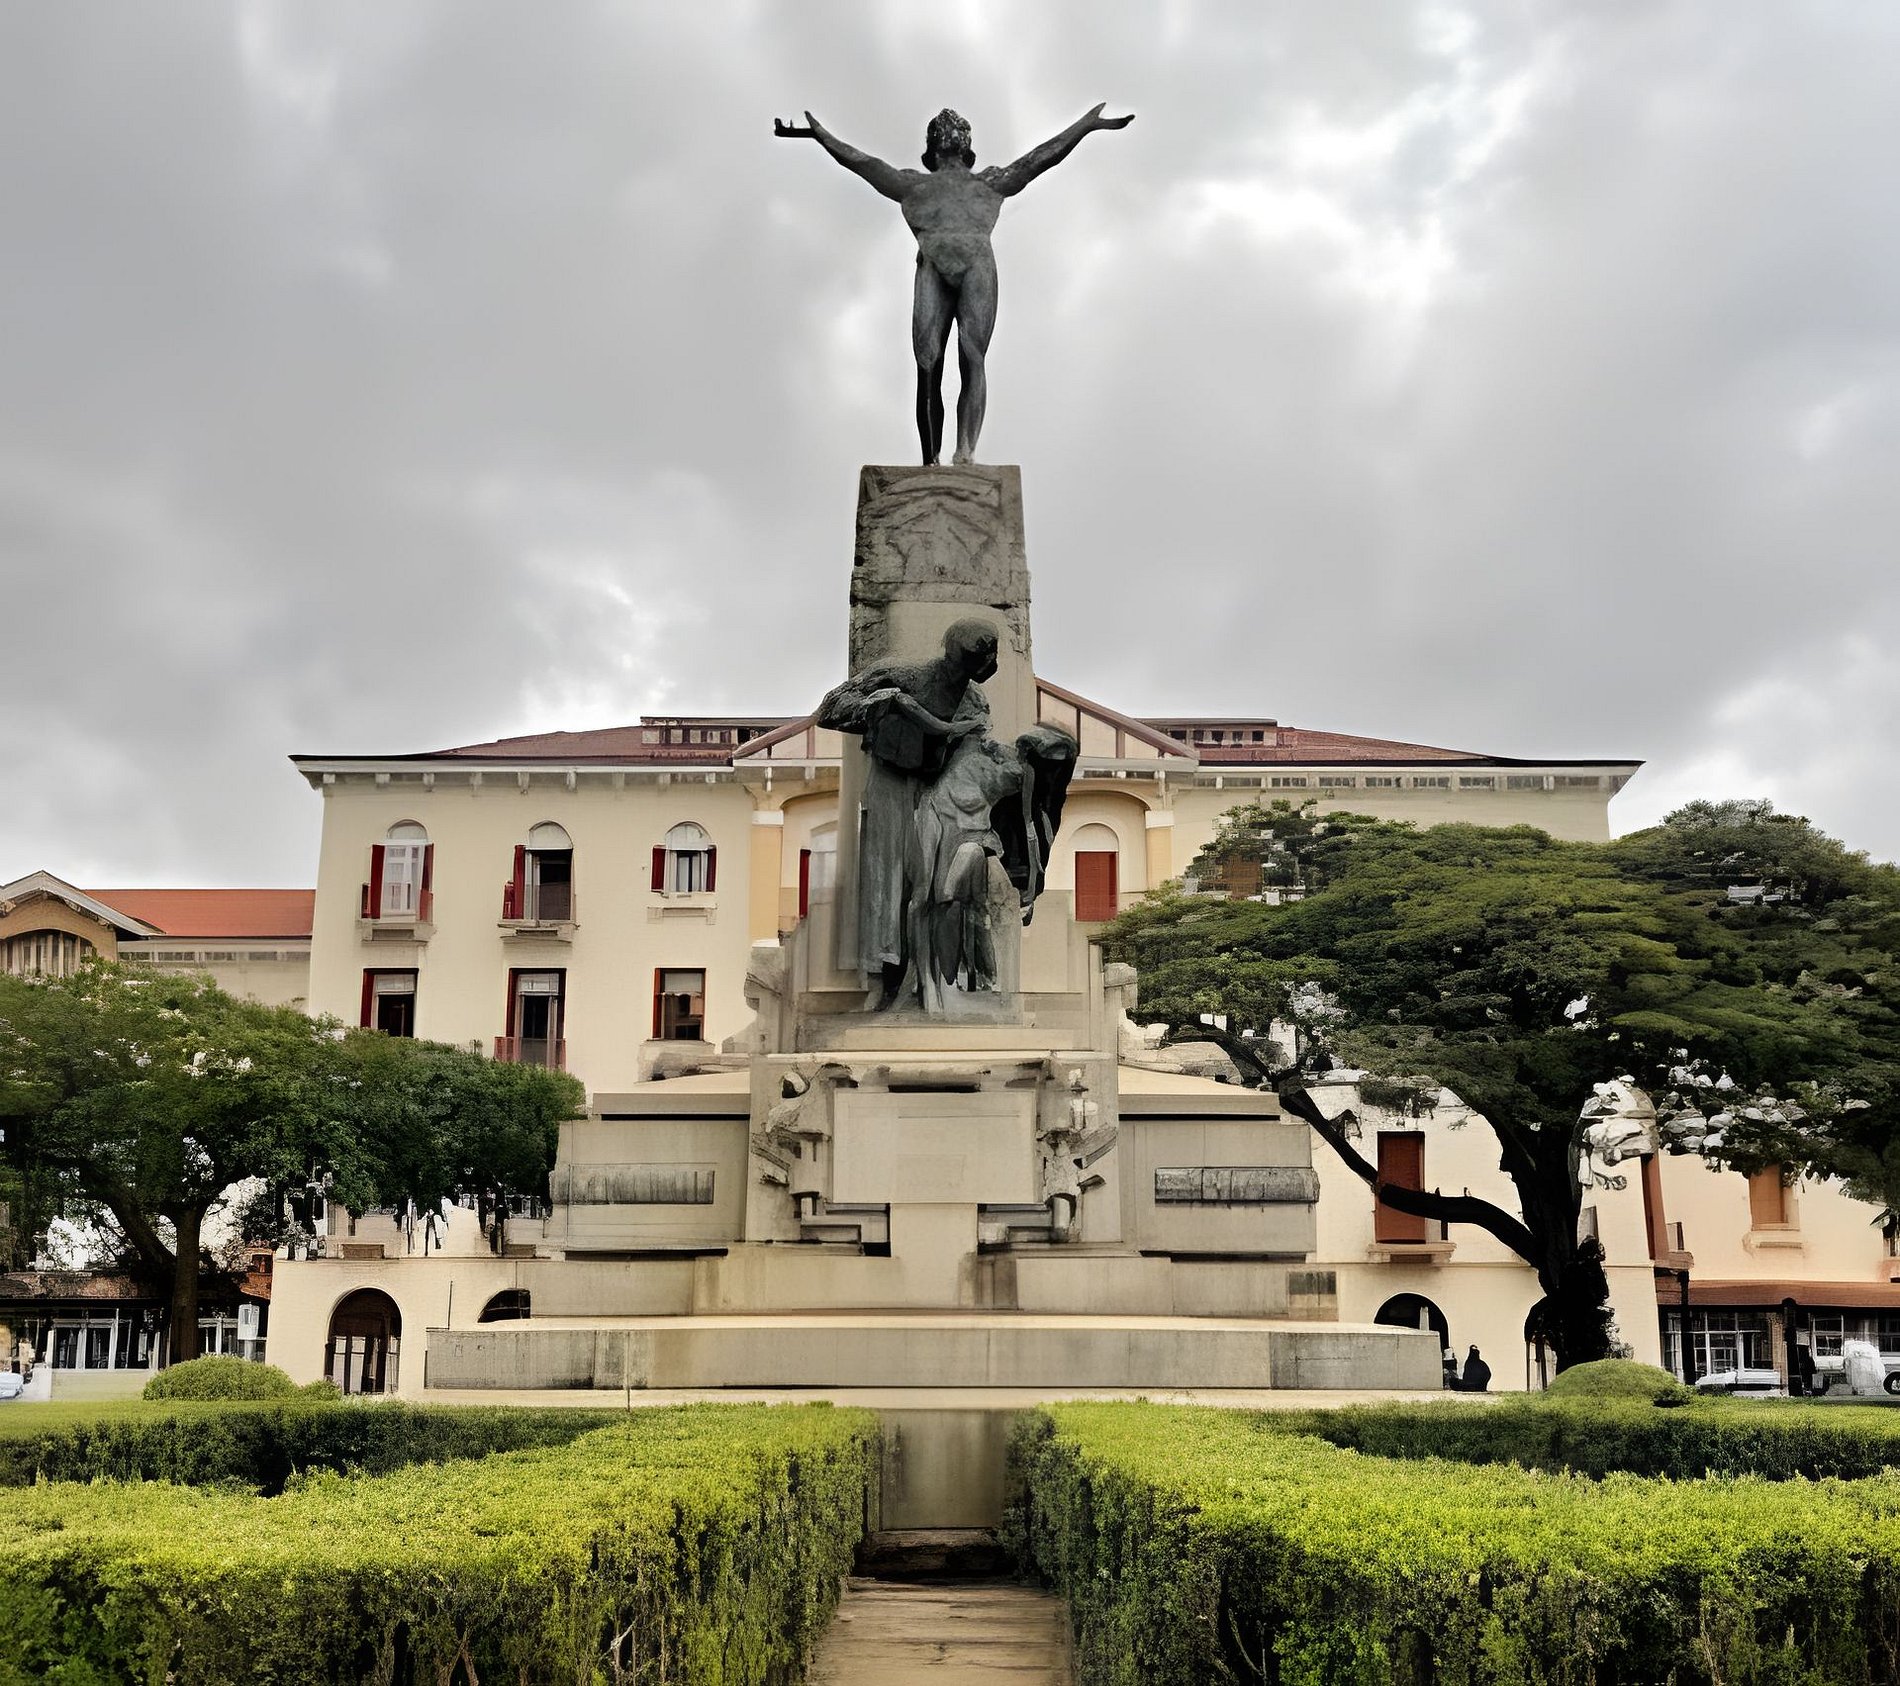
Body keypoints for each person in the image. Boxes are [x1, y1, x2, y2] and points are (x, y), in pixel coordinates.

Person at [776, 104, 1134, 465]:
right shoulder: (913, 184)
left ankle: (965, 452)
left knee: (972, 356)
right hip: (933, 262)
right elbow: (864, 163)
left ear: (965, 144)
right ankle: (930, 459)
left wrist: (1085, 126)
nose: (949, 133)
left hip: (976, 263)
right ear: (933, 146)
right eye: (942, 130)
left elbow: (1038, 159)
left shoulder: (988, 182)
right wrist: (821, 136)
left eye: (955, 130)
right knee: (927, 360)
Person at [816, 620, 999, 1007]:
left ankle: (938, 972)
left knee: (939, 880)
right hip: (891, 780)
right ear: (951, 654)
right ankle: (884, 974)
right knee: (887, 875)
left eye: (982, 661)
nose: (976, 668)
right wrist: (878, 705)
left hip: (940, 787)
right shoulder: (901, 676)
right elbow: (829, 709)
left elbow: (975, 754)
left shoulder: (974, 702)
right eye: (970, 660)